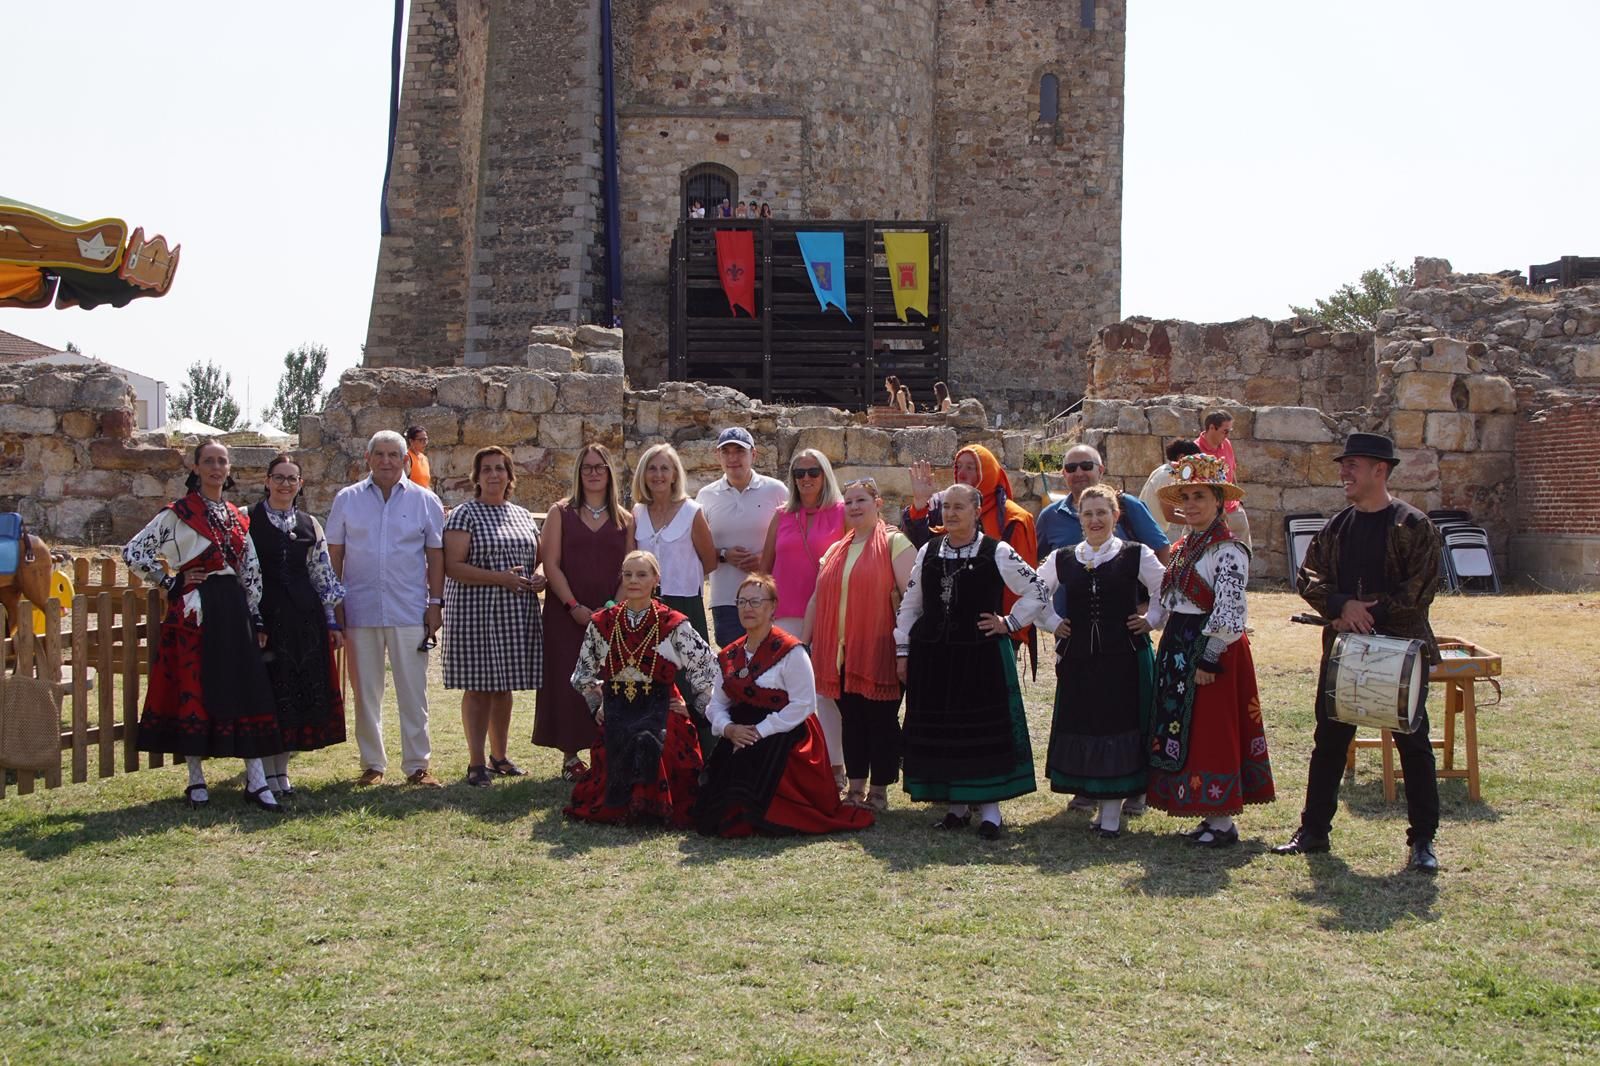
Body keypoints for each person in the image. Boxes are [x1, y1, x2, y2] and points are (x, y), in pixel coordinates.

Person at [1276, 433, 1443, 873]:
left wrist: (1376, 613)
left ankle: (1422, 840)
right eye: (1343, 464)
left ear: (1380, 471)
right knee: (1329, 742)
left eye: (1353, 465)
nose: (1344, 472)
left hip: (1399, 651)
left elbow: (1422, 585)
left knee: (1413, 742)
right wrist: (1340, 606)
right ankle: (1313, 831)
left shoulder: (1413, 525)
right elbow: (1309, 575)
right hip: (1345, 652)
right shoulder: (1337, 526)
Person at [122, 440, 284, 812]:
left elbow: (251, 569)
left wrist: (254, 614)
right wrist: (171, 582)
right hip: (195, 610)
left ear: (229, 469)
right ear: (195, 468)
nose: (215, 467)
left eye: (221, 462)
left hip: (233, 609)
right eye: (208, 461)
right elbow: (134, 552)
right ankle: (196, 780)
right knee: (192, 689)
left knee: (246, 688)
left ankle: (256, 781)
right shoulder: (177, 514)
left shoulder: (236, 516)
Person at [894, 483, 1051, 839]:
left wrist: (1009, 623)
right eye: (946, 507)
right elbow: (911, 603)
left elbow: (1038, 590)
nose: (950, 513)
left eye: (959, 507)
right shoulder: (929, 551)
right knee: (946, 730)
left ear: (976, 511)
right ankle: (956, 808)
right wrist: (903, 649)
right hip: (935, 655)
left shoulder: (996, 551)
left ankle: (991, 812)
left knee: (980, 731)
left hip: (979, 654)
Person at [1144, 453, 1275, 846]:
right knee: (1187, 727)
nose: (1190, 504)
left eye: (1199, 496)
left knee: (1211, 728)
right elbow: (1171, 599)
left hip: (1210, 648)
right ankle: (1206, 812)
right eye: (1185, 496)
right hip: (1180, 644)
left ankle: (1221, 820)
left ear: (1219, 501)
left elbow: (1231, 608)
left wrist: (1211, 656)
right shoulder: (1186, 546)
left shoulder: (1228, 550)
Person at [693, 574, 876, 837]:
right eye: (742, 602)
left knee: (748, 783)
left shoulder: (792, 652)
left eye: (756, 602)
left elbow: (803, 704)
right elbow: (716, 704)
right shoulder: (729, 656)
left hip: (785, 733)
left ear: (772, 607)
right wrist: (729, 729)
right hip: (741, 732)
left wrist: (760, 730)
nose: (748, 608)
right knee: (712, 811)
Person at [1038, 485, 1165, 838]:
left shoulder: (1136, 554)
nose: (1095, 520)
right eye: (1088, 513)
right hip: (1079, 660)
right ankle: (1093, 797)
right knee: (1089, 725)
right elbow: (1034, 591)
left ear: (1115, 516)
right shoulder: (1063, 557)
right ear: (1079, 518)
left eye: (1101, 513)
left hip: (1124, 658)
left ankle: (1111, 816)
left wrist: (1151, 618)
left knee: (1118, 728)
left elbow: (1166, 589)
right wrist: (1051, 621)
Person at [327, 430, 447, 789]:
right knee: (366, 693)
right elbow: (335, 554)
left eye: (393, 454)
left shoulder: (425, 501)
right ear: (367, 459)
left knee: (413, 692)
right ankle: (372, 763)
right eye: (379, 454)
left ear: (405, 459)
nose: (386, 461)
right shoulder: (346, 500)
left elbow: (435, 556)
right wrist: (335, 603)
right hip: (360, 608)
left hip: (409, 608)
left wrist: (436, 603)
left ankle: (417, 765)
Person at [565, 550, 719, 826]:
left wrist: (694, 708)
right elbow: (583, 672)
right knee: (619, 740)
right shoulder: (604, 622)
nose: (633, 581)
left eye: (641, 574)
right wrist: (595, 702)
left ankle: (655, 805)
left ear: (656, 579)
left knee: (659, 741)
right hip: (618, 706)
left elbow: (707, 667)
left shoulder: (674, 623)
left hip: (660, 704)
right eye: (627, 575)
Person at [805, 477, 916, 812]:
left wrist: (905, 650)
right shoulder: (836, 549)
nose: (854, 507)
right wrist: (801, 644)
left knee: (880, 721)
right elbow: (815, 600)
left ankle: (879, 791)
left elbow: (912, 600)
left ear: (877, 504)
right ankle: (855, 789)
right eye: (849, 502)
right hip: (839, 653)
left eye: (861, 501)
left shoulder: (896, 543)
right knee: (851, 720)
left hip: (880, 649)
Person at [443, 446, 547, 787]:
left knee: (503, 687)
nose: (493, 475)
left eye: (500, 468)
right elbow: (453, 566)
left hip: (515, 611)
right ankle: (475, 763)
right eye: (486, 469)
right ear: (476, 476)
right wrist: (500, 577)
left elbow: (541, 557)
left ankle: (499, 756)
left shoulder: (522, 515)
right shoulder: (464, 514)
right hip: (475, 610)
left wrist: (540, 576)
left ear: (509, 475)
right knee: (478, 687)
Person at [249, 454, 347, 801]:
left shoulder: (309, 523)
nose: (285, 484)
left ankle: (282, 771)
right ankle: (263, 773)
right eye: (279, 477)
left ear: (301, 484)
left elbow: (322, 572)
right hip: (266, 619)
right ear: (267, 480)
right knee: (270, 694)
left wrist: (332, 621)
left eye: (292, 479)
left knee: (295, 694)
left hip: (304, 618)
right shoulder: (249, 520)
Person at [537, 444, 635, 781]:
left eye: (600, 466)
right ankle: (570, 756)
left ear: (610, 472)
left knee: (607, 680)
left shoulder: (626, 519)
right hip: (566, 614)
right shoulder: (560, 512)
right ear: (578, 473)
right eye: (587, 467)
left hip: (610, 616)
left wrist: (610, 611)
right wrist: (574, 607)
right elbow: (551, 564)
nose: (593, 473)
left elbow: (629, 569)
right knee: (570, 680)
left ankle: (605, 750)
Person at [903, 444, 1039, 664]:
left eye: (971, 467)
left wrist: (1011, 626)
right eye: (959, 467)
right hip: (943, 633)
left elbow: (1025, 586)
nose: (963, 473)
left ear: (987, 471)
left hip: (988, 636)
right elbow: (925, 553)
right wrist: (920, 504)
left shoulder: (1014, 519)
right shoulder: (947, 508)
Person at [759, 447, 847, 783]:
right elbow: (765, 566)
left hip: (829, 615)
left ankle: (835, 766)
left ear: (825, 474)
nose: (806, 479)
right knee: (784, 692)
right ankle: (789, 764)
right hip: (784, 616)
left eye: (813, 472)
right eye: (799, 473)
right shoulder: (781, 515)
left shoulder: (843, 512)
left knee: (827, 693)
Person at [697, 426, 787, 648]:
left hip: (768, 597)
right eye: (726, 452)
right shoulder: (706, 496)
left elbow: (792, 539)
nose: (732, 458)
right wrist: (724, 554)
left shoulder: (776, 491)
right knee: (733, 671)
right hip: (726, 600)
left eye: (739, 451)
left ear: (753, 455)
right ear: (717, 456)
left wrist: (763, 560)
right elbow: (696, 548)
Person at [632, 442, 717, 639]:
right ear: (643, 475)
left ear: (674, 475)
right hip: (644, 602)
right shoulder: (637, 512)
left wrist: (681, 575)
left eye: (664, 468)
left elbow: (710, 560)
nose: (658, 475)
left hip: (684, 603)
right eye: (651, 468)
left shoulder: (692, 512)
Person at [1036, 444, 1171, 564]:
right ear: (1064, 474)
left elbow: (1162, 548)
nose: (1079, 473)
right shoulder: (1050, 516)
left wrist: (1158, 589)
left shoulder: (1127, 505)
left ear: (1100, 470)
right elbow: (1034, 560)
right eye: (1071, 468)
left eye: (1086, 466)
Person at [1196, 409, 1250, 549]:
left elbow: (1232, 471)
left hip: (1233, 510)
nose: (1227, 435)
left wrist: (1238, 500)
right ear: (1212, 428)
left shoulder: (1226, 444)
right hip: (1208, 513)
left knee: (1243, 552)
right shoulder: (1195, 449)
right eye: (1225, 431)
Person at [1138, 439, 1205, 545]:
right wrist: (1200, 521)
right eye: (1194, 461)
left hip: (1145, 530)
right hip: (1150, 534)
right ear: (1182, 458)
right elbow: (1169, 515)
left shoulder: (1163, 469)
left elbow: (1166, 508)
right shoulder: (1168, 476)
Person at [403, 425, 431, 489]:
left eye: (426, 439)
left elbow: (426, 484)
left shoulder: (424, 458)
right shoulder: (407, 457)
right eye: (421, 440)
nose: (425, 443)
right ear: (411, 441)